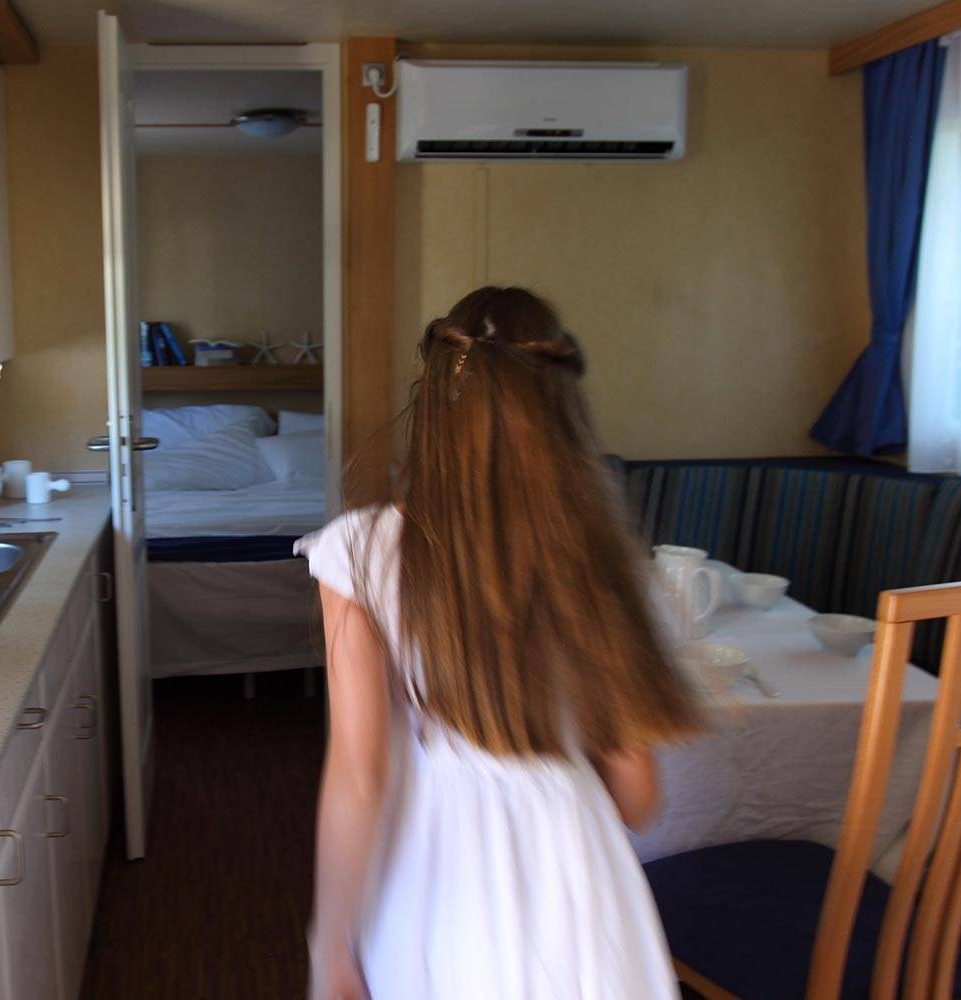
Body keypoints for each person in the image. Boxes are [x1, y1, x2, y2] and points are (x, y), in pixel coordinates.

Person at [298, 286, 700, 999]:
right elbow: (639, 797)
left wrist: (330, 944)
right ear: (560, 415)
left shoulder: (361, 551)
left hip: (440, 869)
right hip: (578, 869)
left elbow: (359, 776)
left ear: (432, 407)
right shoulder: (600, 562)